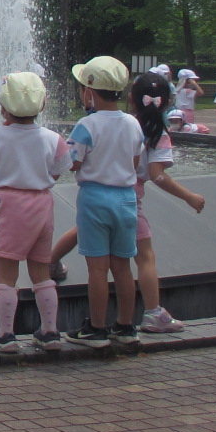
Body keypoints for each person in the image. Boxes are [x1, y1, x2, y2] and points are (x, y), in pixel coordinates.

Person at [0, 72, 69, 353]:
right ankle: (49, 331)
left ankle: (5, 334)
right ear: (41, 106)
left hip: (9, 203)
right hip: (42, 203)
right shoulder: (54, 138)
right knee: (41, 269)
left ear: (3, 106)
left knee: (7, 271)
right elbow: (59, 169)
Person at [62, 56, 142, 349]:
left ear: (90, 91)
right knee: (123, 265)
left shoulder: (87, 124)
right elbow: (135, 161)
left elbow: (72, 162)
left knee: (97, 268)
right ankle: (125, 325)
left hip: (95, 198)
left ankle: (96, 328)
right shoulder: (132, 123)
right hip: (126, 199)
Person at [126, 72, 208, 332]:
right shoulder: (157, 133)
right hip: (129, 200)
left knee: (96, 248)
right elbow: (157, 175)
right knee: (145, 257)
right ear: (167, 101)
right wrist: (188, 196)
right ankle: (152, 313)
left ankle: (53, 260)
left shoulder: (122, 124)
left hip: (100, 195)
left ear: (131, 99)